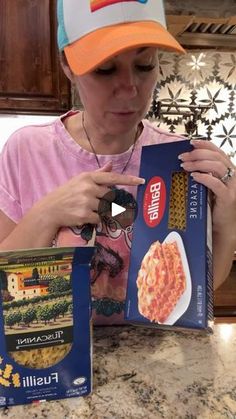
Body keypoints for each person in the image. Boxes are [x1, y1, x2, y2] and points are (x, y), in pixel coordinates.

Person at [0, 0, 235, 324]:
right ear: (67, 65)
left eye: (145, 65)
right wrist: (47, 213)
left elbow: (198, 291)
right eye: (105, 69)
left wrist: (227, 222)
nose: (129, 90)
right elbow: (4, 287)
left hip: (152, 355)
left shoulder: (176, 158)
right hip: (56, 355)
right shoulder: (27, 150)